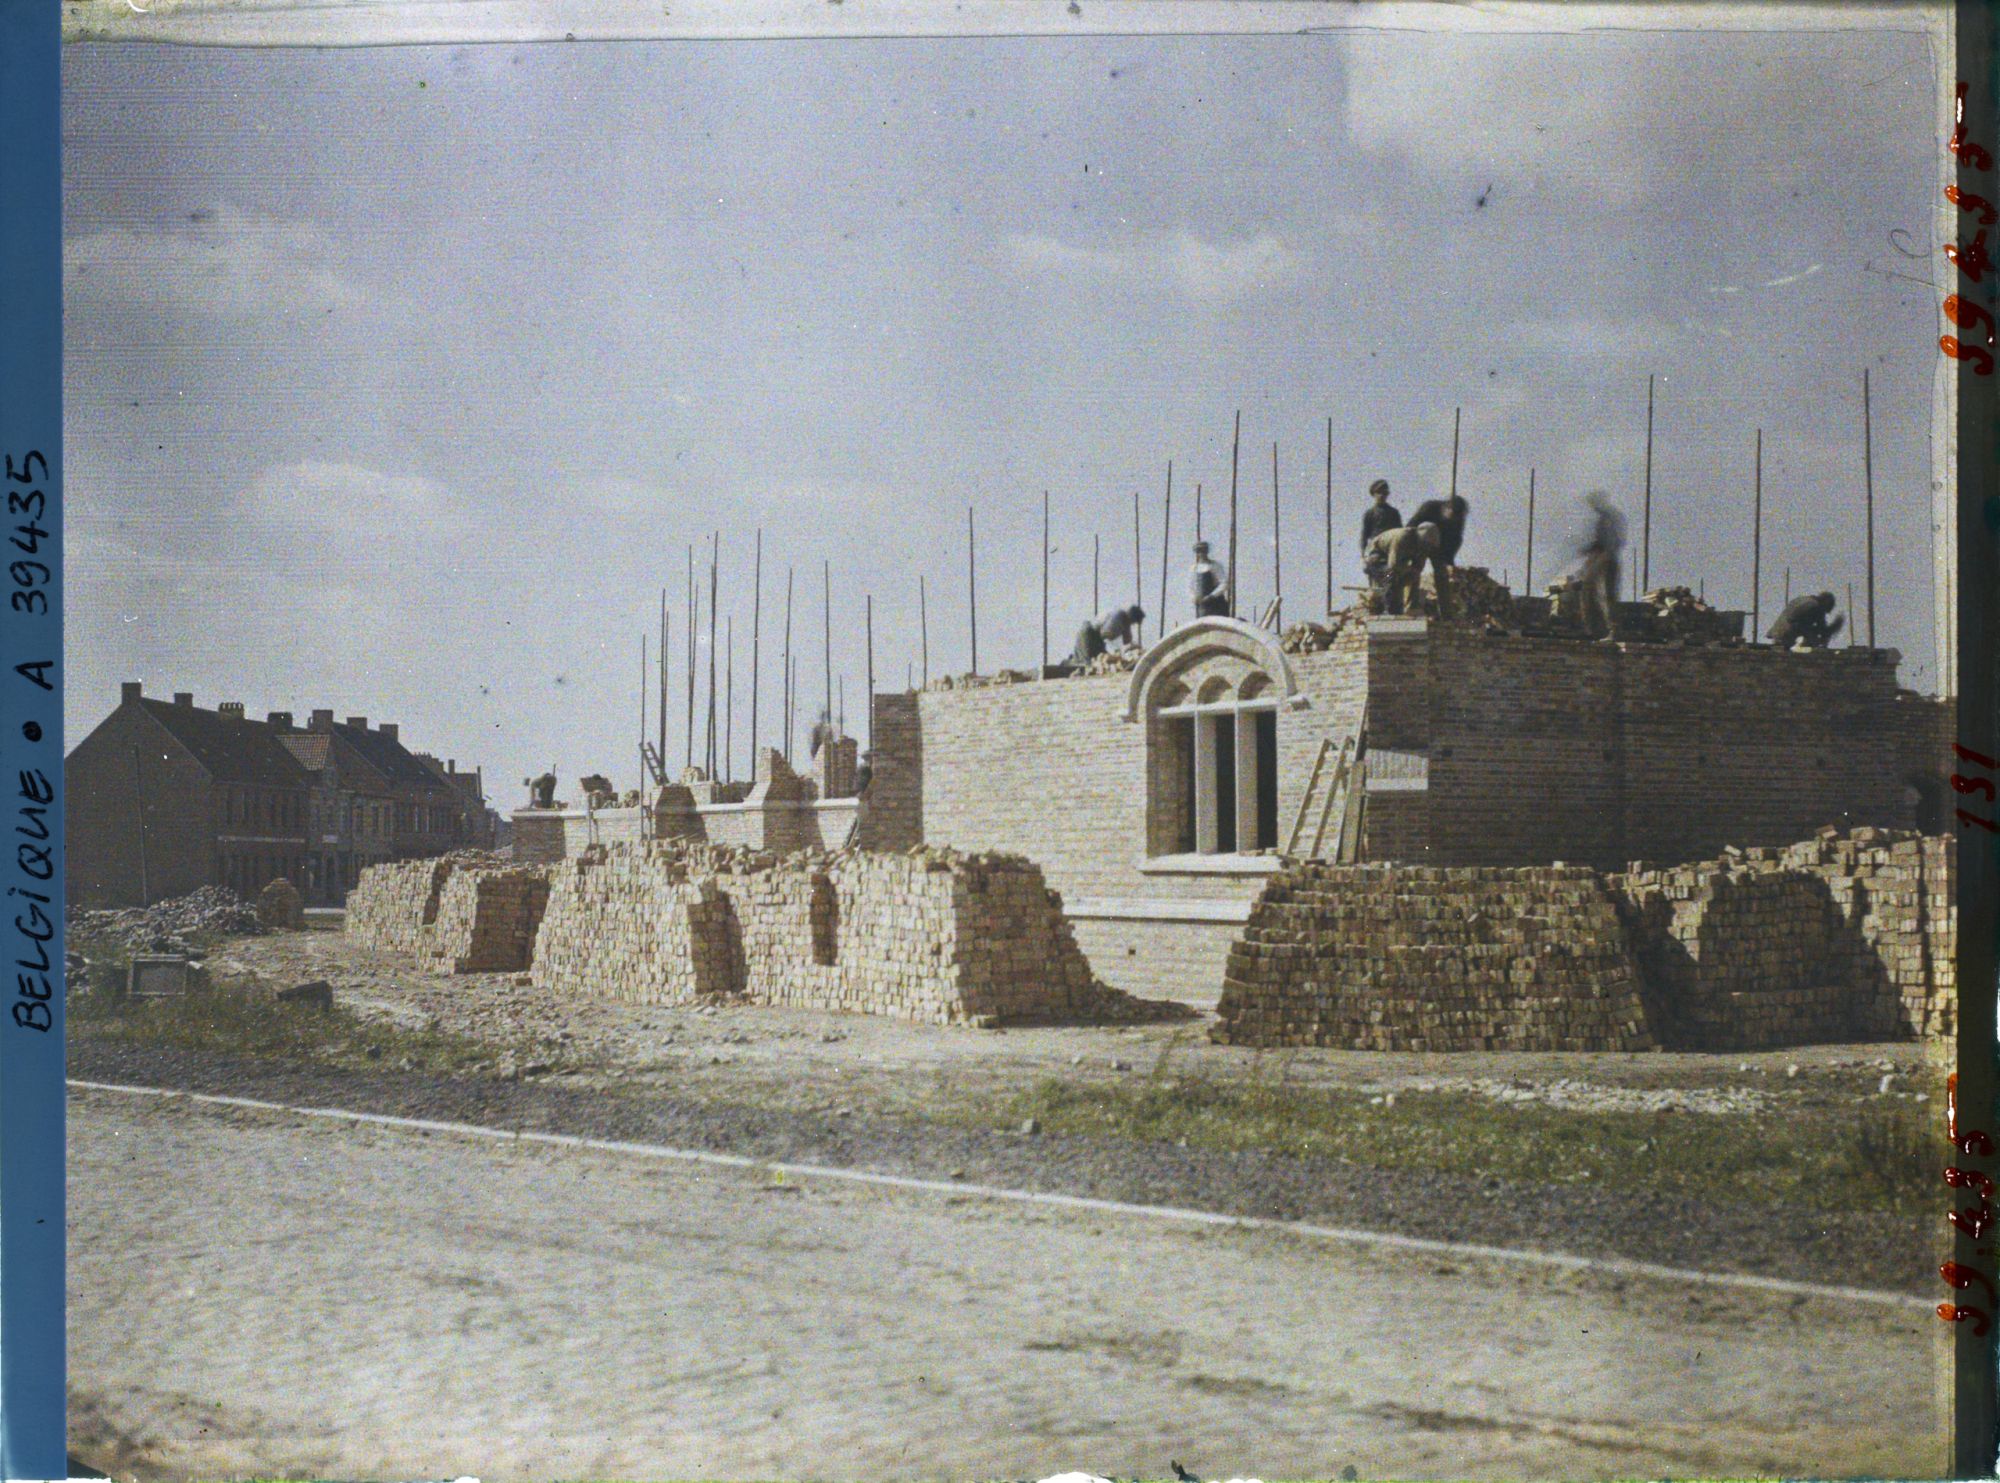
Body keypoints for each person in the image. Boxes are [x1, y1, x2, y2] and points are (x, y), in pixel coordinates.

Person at [1405, 492, 1469, 617]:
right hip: (1420, 541)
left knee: (1442, 575)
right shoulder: (1429, 507)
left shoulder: (1458, 518)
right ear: (1446, 508)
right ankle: (1411, 607)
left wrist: (1449, 559)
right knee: (1414, 571)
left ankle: (1446, 612)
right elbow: (1410, 526)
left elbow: (1456, 539)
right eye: (1452, 515)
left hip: (1440, 546)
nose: (1453, 519)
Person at [1577, 492, 1625, 641]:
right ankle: (1599, 629)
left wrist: (1597, 557)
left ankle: (1605, 629)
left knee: (1601, 594)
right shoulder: (1606, 518)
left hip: (1606, 559)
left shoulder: (1608, 518)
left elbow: (1611, 542)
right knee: (1597, 593)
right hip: (1604, 558)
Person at [1368, 522, 1442, 616]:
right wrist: (1398, 579)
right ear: (1422, 538)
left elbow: (1418, 567)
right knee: (1390, 578)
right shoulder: (1403, 537)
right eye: (1427, 544)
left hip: (1397, 560)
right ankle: (1388, 610)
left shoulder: (1424, 545)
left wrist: (1409, 576)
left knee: (1414, 575)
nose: (1428, 547)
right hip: (1377, 557)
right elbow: (1393, 566)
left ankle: (1412, 608)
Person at [1359, 479, 1402, 593]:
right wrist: (1363, 555)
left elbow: (1400, 533)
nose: (1382, 495)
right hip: (1376, 549)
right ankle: (1376, 598)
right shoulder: (1370, 513)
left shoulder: (1393, 513)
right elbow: (1364, 535)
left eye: (1384, 493)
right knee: (1374, 572)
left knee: (1391, 574)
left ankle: (1388, 598)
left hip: (1391, 549)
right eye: (1379, 493)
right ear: (1374, 494)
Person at [1070, 604, 1147, 666]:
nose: (1133, 624)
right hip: (1089, 633)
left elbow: (1127, 642)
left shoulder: (1126, 623)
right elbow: (1104, 634)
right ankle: (1067, 663)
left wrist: (1135, 649)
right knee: (1086, 661)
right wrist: (1117, 648)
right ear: (1132, 617)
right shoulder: (1118, 616)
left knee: (1097, 660)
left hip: (1098, 638)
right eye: (1134, 621)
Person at [1767, 591, 1844, 650]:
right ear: (1826, 604)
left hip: (1779, 632)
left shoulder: (1804, 600)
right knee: (1811, 637)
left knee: (1809, 634)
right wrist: (1835, 626)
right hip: (1787, 633)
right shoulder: (1816, 607)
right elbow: (1821, 629)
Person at [1190, 541, 1230, 618]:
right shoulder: (1194, 568)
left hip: (1216, 604)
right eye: (1199, 551)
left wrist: (1212, 596)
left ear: (1207, 552)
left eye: (1203, 551)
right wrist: (1194, 598)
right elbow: (1190, 587)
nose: (1201, 554)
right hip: (1202, 607)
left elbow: (1224, 583)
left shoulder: (1215, 565)